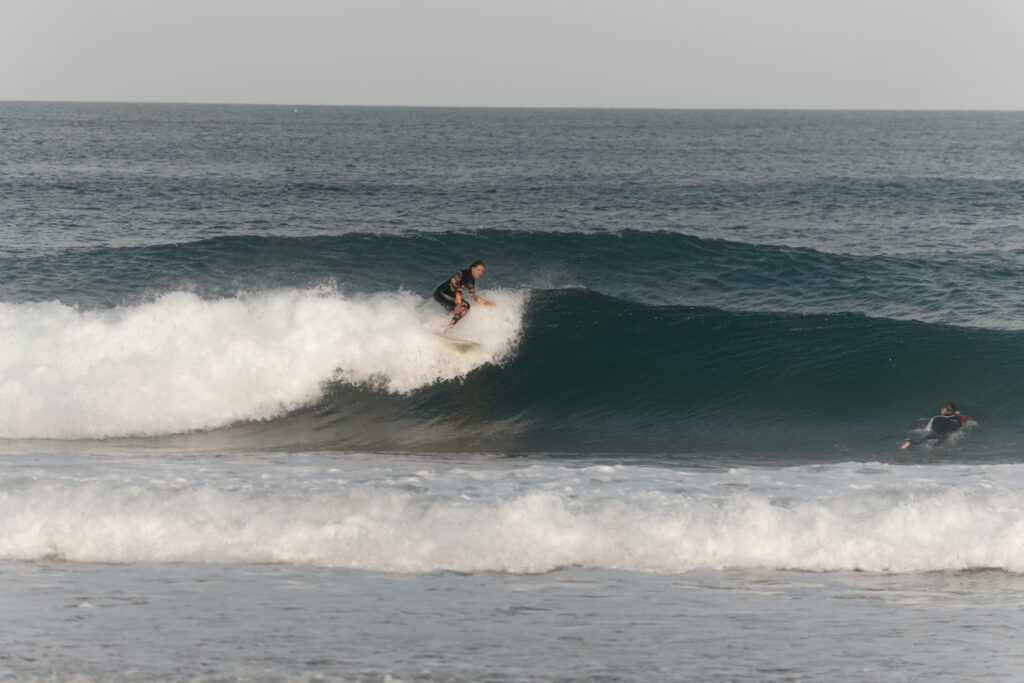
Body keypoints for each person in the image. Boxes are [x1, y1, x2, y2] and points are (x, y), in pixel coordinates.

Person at [433, 260, 496, 332]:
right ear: (473, 268)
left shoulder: (471, 279)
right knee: (465, 306)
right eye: (478, 270)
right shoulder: (466, 275)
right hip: (442, 293)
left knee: (452, 311)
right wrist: (459, 304)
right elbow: (459, 289)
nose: (480, 273)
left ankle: (440, 327)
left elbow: (472, 294)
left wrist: (484, 303)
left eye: (482, 271)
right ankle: (448, 330)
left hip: (442, 294)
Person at [900, 401, 971, 449]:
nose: (941, 410)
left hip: (934, 433)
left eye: (942, 409)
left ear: (945, 409)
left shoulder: (935, 418)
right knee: (933, 446)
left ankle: (906, 445)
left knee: (920, 440)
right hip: (944, 435)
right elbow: (967, 421)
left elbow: (927, 431)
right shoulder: (959, 418)